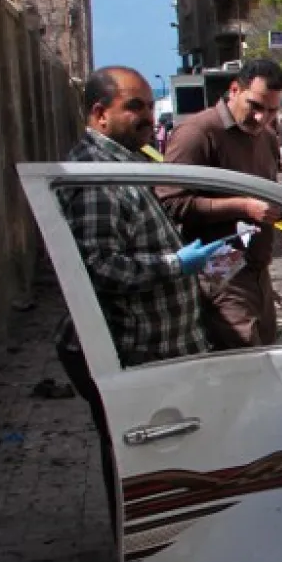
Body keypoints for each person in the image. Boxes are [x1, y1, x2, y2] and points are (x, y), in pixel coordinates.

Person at [56, 67, 223, 523]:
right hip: (131, 355)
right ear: (99, 114)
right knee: (140, 470)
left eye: (149, 105)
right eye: (134, 107)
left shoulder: (123, 163)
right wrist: (175, 265)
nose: (147, 116)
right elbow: (98, 268)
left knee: (152, 466)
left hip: (152, 354)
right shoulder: (96, 179)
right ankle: (149, 561)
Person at [161, 58, 282, 349]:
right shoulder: (197, 133)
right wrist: (242, 206)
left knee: (268, 359)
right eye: (255, 106)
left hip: (258, 271)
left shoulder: (267, 137)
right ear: (234, 90)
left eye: (271, 110)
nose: (261, 118)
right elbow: (170, 203)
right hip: (219, 275)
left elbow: (266, 192)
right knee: (243, 365)